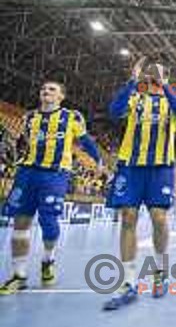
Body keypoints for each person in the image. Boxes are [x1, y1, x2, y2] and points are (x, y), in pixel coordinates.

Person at [0, 81, 102, 294]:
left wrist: (98, 161)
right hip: (27, 172)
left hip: (55, 174)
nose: (46, 92)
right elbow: (25, 142)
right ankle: (19, 275)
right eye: (43, 89)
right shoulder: (29, 117)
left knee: (48, 221)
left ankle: (48, 261)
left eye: (52, 89)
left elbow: (85, 141)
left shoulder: (72, 117)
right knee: (20, 221)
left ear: (61, 96)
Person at [104, 56, 176, 310]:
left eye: (159, 74)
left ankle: (160, 270)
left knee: (159, 219)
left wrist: (166, 87)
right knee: (128, 217)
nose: (153, 76)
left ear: (167, 78)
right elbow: (114, 111)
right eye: (150, 73)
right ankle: (128, 282)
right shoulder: (134, 98)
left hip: (161, 167)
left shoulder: (175, 101)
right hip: (130, 166)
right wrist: (131, 82)